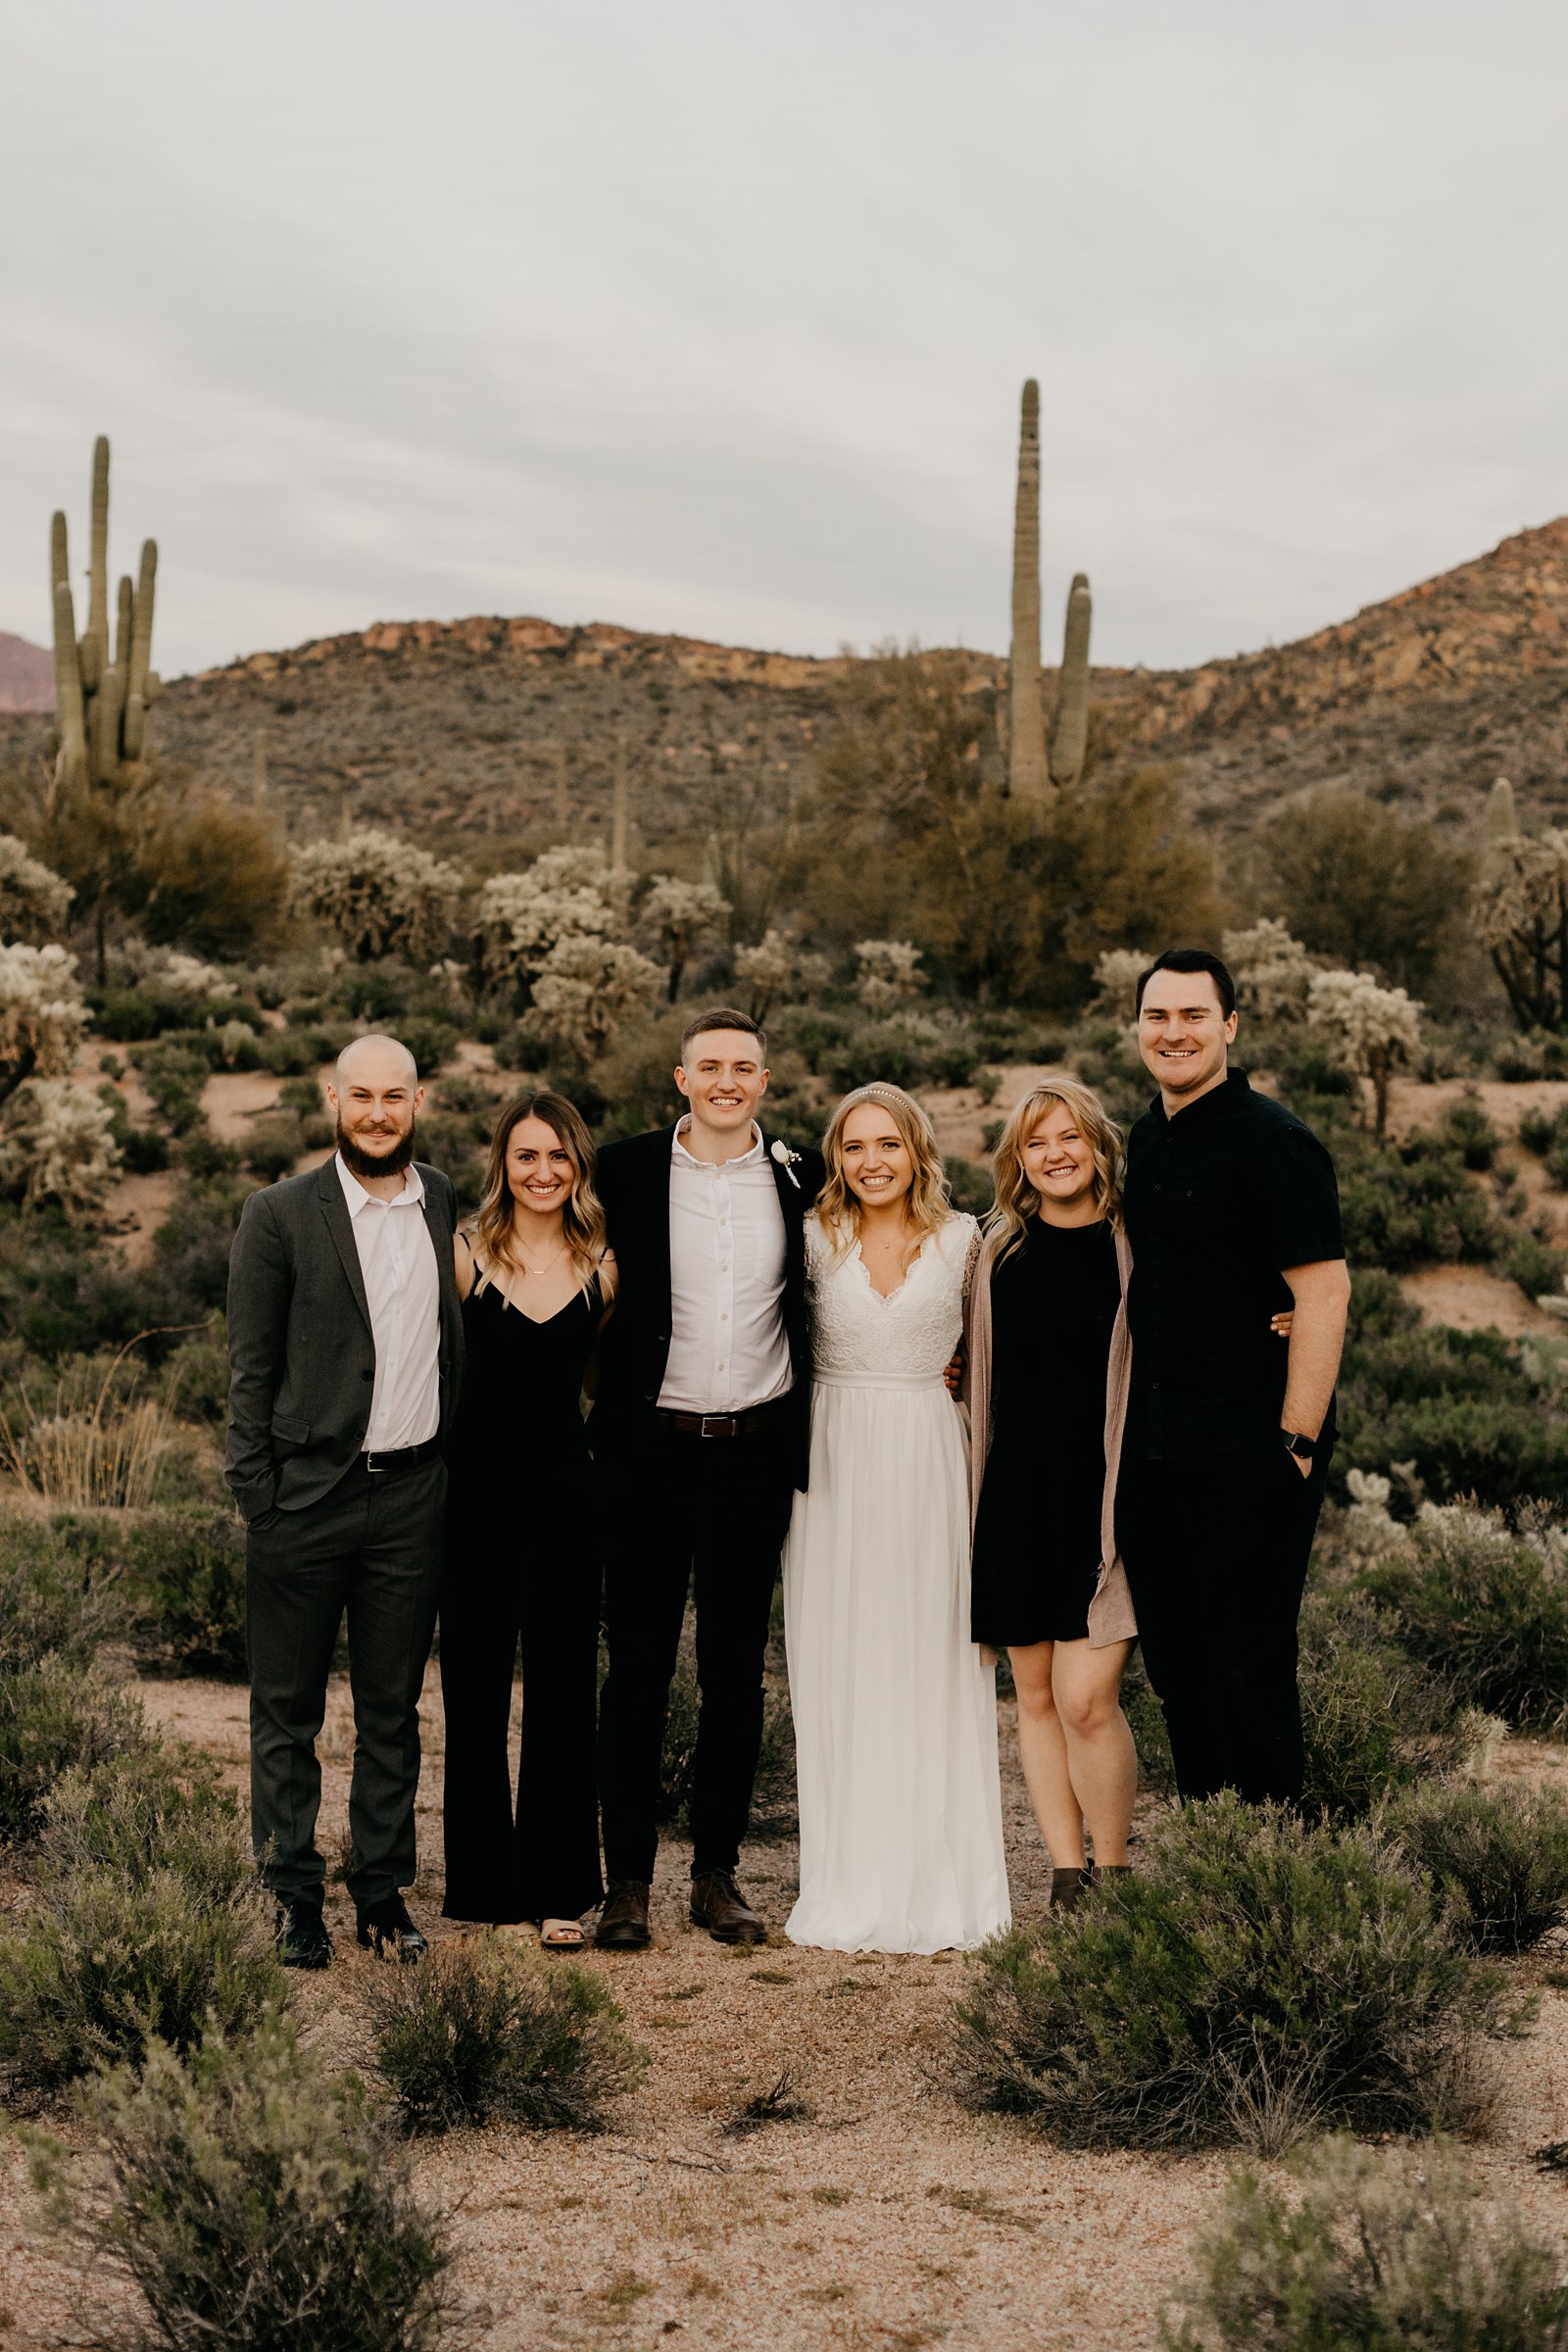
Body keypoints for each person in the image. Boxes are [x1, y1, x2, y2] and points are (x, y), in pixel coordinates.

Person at [225, 1033, 466, 1967]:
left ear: (418, 1100)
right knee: (286, 1712)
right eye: (359, 1095)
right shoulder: (279, 1214)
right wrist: (259, 1494)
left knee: (391, 1711)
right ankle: (291, 1897)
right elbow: (250, 1369)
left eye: (393, 1096)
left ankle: (380, 1893)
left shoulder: (441, 1198)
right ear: (333, 1098)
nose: (376, 1112)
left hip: (411, 1499)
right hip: (302, 1501)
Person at [590, 1009, 824, 1950]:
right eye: (710, 1067)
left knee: (735, 1671)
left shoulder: (803, 1174)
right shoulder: (623, 1169)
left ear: (764, 1082)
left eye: (745, 1067)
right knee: (638, 1668)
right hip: (647, 1449)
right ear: (681, 1079)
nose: (727, 1080)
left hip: (754, 1449)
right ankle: (628, 1884)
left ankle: (716, 1875)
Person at [1115, 948, 1350, 1806]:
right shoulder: (1145, 1137)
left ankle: (1272, 1875)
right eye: (1158, 1016)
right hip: (1156, 1451)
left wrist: (1292, 1441)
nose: (1173, 1032)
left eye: (1192, 1016)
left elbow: (1322, 1293)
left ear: (1230, 1027)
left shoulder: (1276, 1142)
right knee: (1179, 1669)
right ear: (1138, 1027)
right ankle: (1218, 1858)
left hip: (1252, 1447)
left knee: (1250, 1666)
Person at [784, 1083, 1008, 1954]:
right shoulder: (809, 1236)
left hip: (926, 1452)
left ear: (918, 1151)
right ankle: (848, 1875)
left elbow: (1006, 1340)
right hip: (832, 1460)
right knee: (840, 1652)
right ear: (834, 1156)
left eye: (888, 1145)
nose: (871, 1162)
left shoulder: (964, 1241)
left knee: (929, 1653)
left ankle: (940, 1876)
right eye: (853, 1146)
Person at [439, 1091, 613, 1949]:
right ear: (502, 1166)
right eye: (525, 1157)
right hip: (473, 1498)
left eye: (558, 1157)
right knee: (473, 1688)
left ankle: (559, 1888)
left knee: (561, 1688)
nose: (543, 1173)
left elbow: (599, 1385)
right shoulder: (465, 1256)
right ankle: (480, 1888)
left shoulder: (605, 1263)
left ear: (577, 1164)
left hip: (565, 1497)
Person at [963, 1081, 1138, 1910]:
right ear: (1018, 1159)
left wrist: (1279, 1316)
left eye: (1070, 1137)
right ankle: (1067, 1875)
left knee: (1086, 1698)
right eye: (1038, 1143)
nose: (1056, 1154)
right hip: (1018, 1497)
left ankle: (1116, 1869)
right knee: (1033, 1697)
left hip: (1108, 1501)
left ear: (1097, 1144)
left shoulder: (1137, 1243)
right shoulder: (997, 1250)